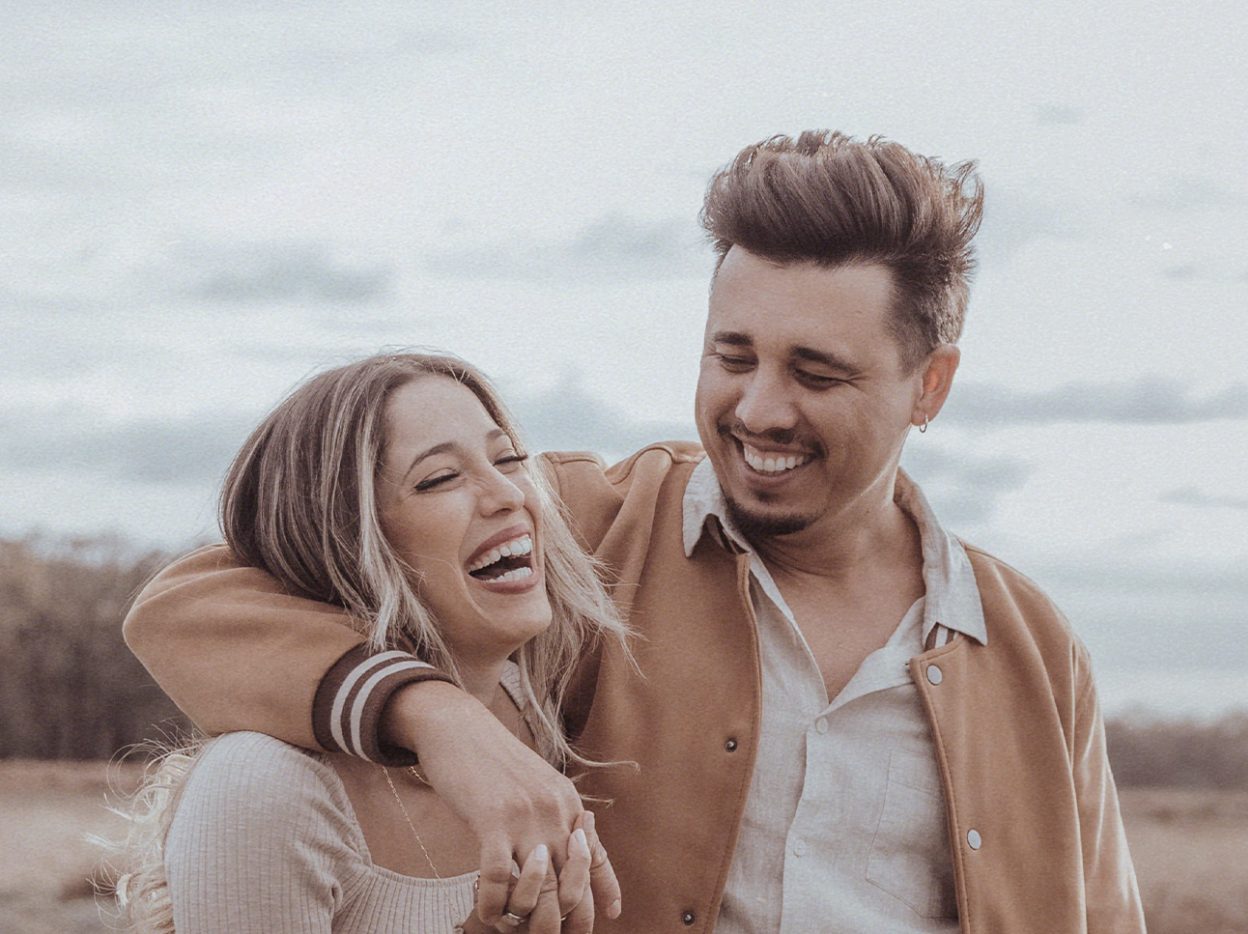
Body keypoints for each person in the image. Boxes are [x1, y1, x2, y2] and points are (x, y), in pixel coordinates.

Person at [123, 131, 1147, 933]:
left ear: (930, 385)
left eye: (816, 371)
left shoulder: (1033, 649)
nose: (758, 409)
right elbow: (193, 603)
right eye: (732, 355)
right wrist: (439, 718)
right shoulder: (579, 530)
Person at [108, 353, 631, 932]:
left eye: (508, 459)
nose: (508, 494)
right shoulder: (264, 787)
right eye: (439, 479)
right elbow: (169, 605)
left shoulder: (539, 704)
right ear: (340, 542)